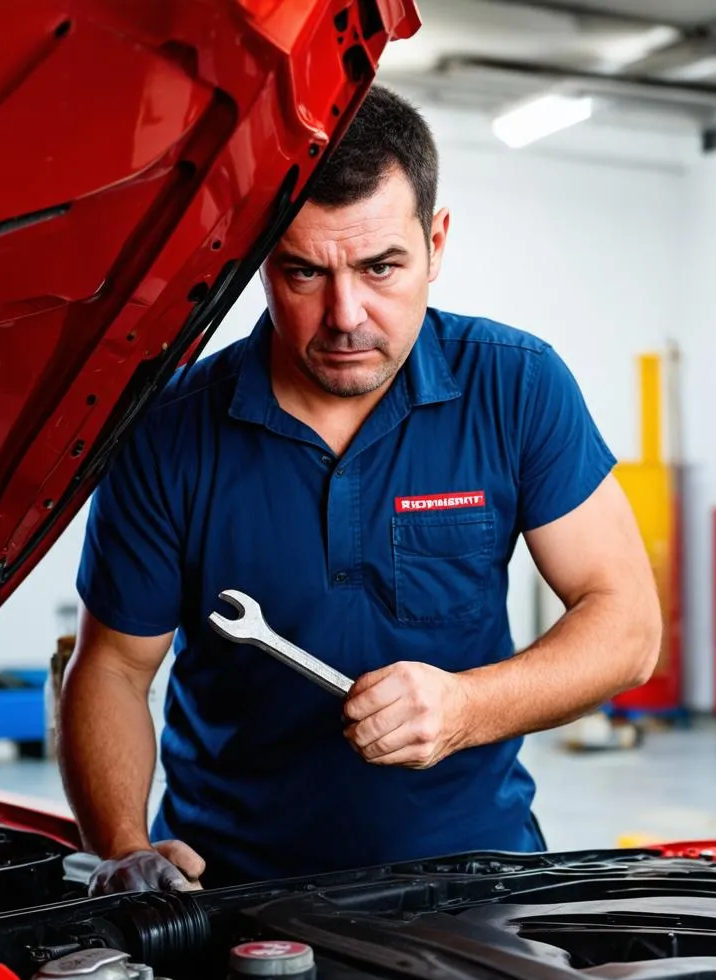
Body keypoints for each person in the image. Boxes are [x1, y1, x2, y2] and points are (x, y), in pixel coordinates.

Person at [58, 85, 662, 896]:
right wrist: (125, 847)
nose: (346, 315)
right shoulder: (170, 430)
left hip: (475, 880)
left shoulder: (516, 387)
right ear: (259, 254)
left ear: (436, 242)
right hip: (226, 892)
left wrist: (464, 709)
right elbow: (113, 671)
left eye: (381, 267)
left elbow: (627, 626)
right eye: (304, 272)